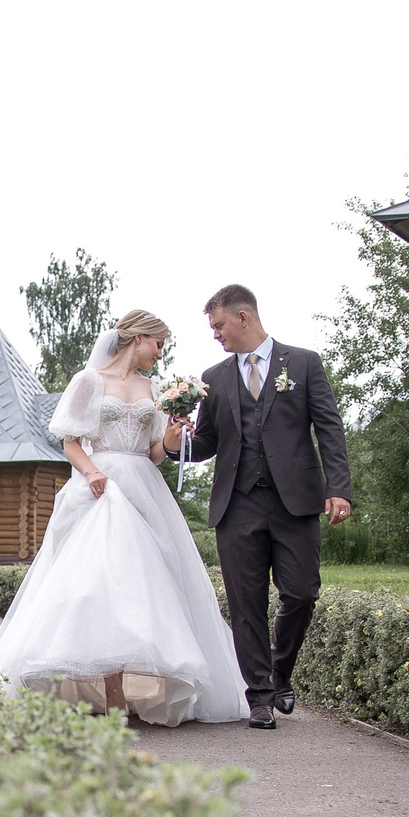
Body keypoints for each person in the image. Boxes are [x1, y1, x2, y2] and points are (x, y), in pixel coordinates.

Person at [0, 309, 248, 725]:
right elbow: (70, 442)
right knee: (98, 587)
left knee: (144, 587)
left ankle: (129, 693)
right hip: (101, 487)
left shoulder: (155, 388)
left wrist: (173, 437)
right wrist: (91, 472)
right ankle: (109, 699)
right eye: (158, 344)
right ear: (138, 338)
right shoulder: (89, 381)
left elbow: (154, 453)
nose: (160, 354)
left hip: (142, 484)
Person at [174, 284, 350, 730]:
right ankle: (258, 697)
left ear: (243, 318)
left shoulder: (304, 363)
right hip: (237, 504)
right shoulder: (213, 378)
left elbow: (329, 428)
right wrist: (179, 444)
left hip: (296, 501)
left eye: (218, 326)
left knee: (301, 592)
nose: (216, 335)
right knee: (246, 602)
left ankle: (279, 672)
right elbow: (209, 443)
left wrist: (339, 488)